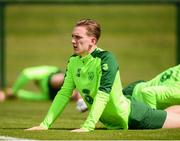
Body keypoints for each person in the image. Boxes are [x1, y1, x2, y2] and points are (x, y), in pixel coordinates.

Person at [26, 19, 180, 132]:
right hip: (111, 123)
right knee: (168, 115)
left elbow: (103, 94)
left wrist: (88, 126)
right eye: (72, 36)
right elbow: (64, 93)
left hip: (135, 116)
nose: (73, 41)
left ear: (92, 41)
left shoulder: (106, 59)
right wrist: (44, 125)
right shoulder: (73, 62)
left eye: (78, 37)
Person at [0, 65, 87, 112]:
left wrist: (13, 90)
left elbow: (26, 74)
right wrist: (8, 94)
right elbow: (25, 95)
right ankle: (83, 99)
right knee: (68, 94)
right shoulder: (45, 96)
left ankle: (82, 96)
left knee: (59, 79)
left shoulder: (46, 73)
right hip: (53, 94)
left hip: (51, 78)